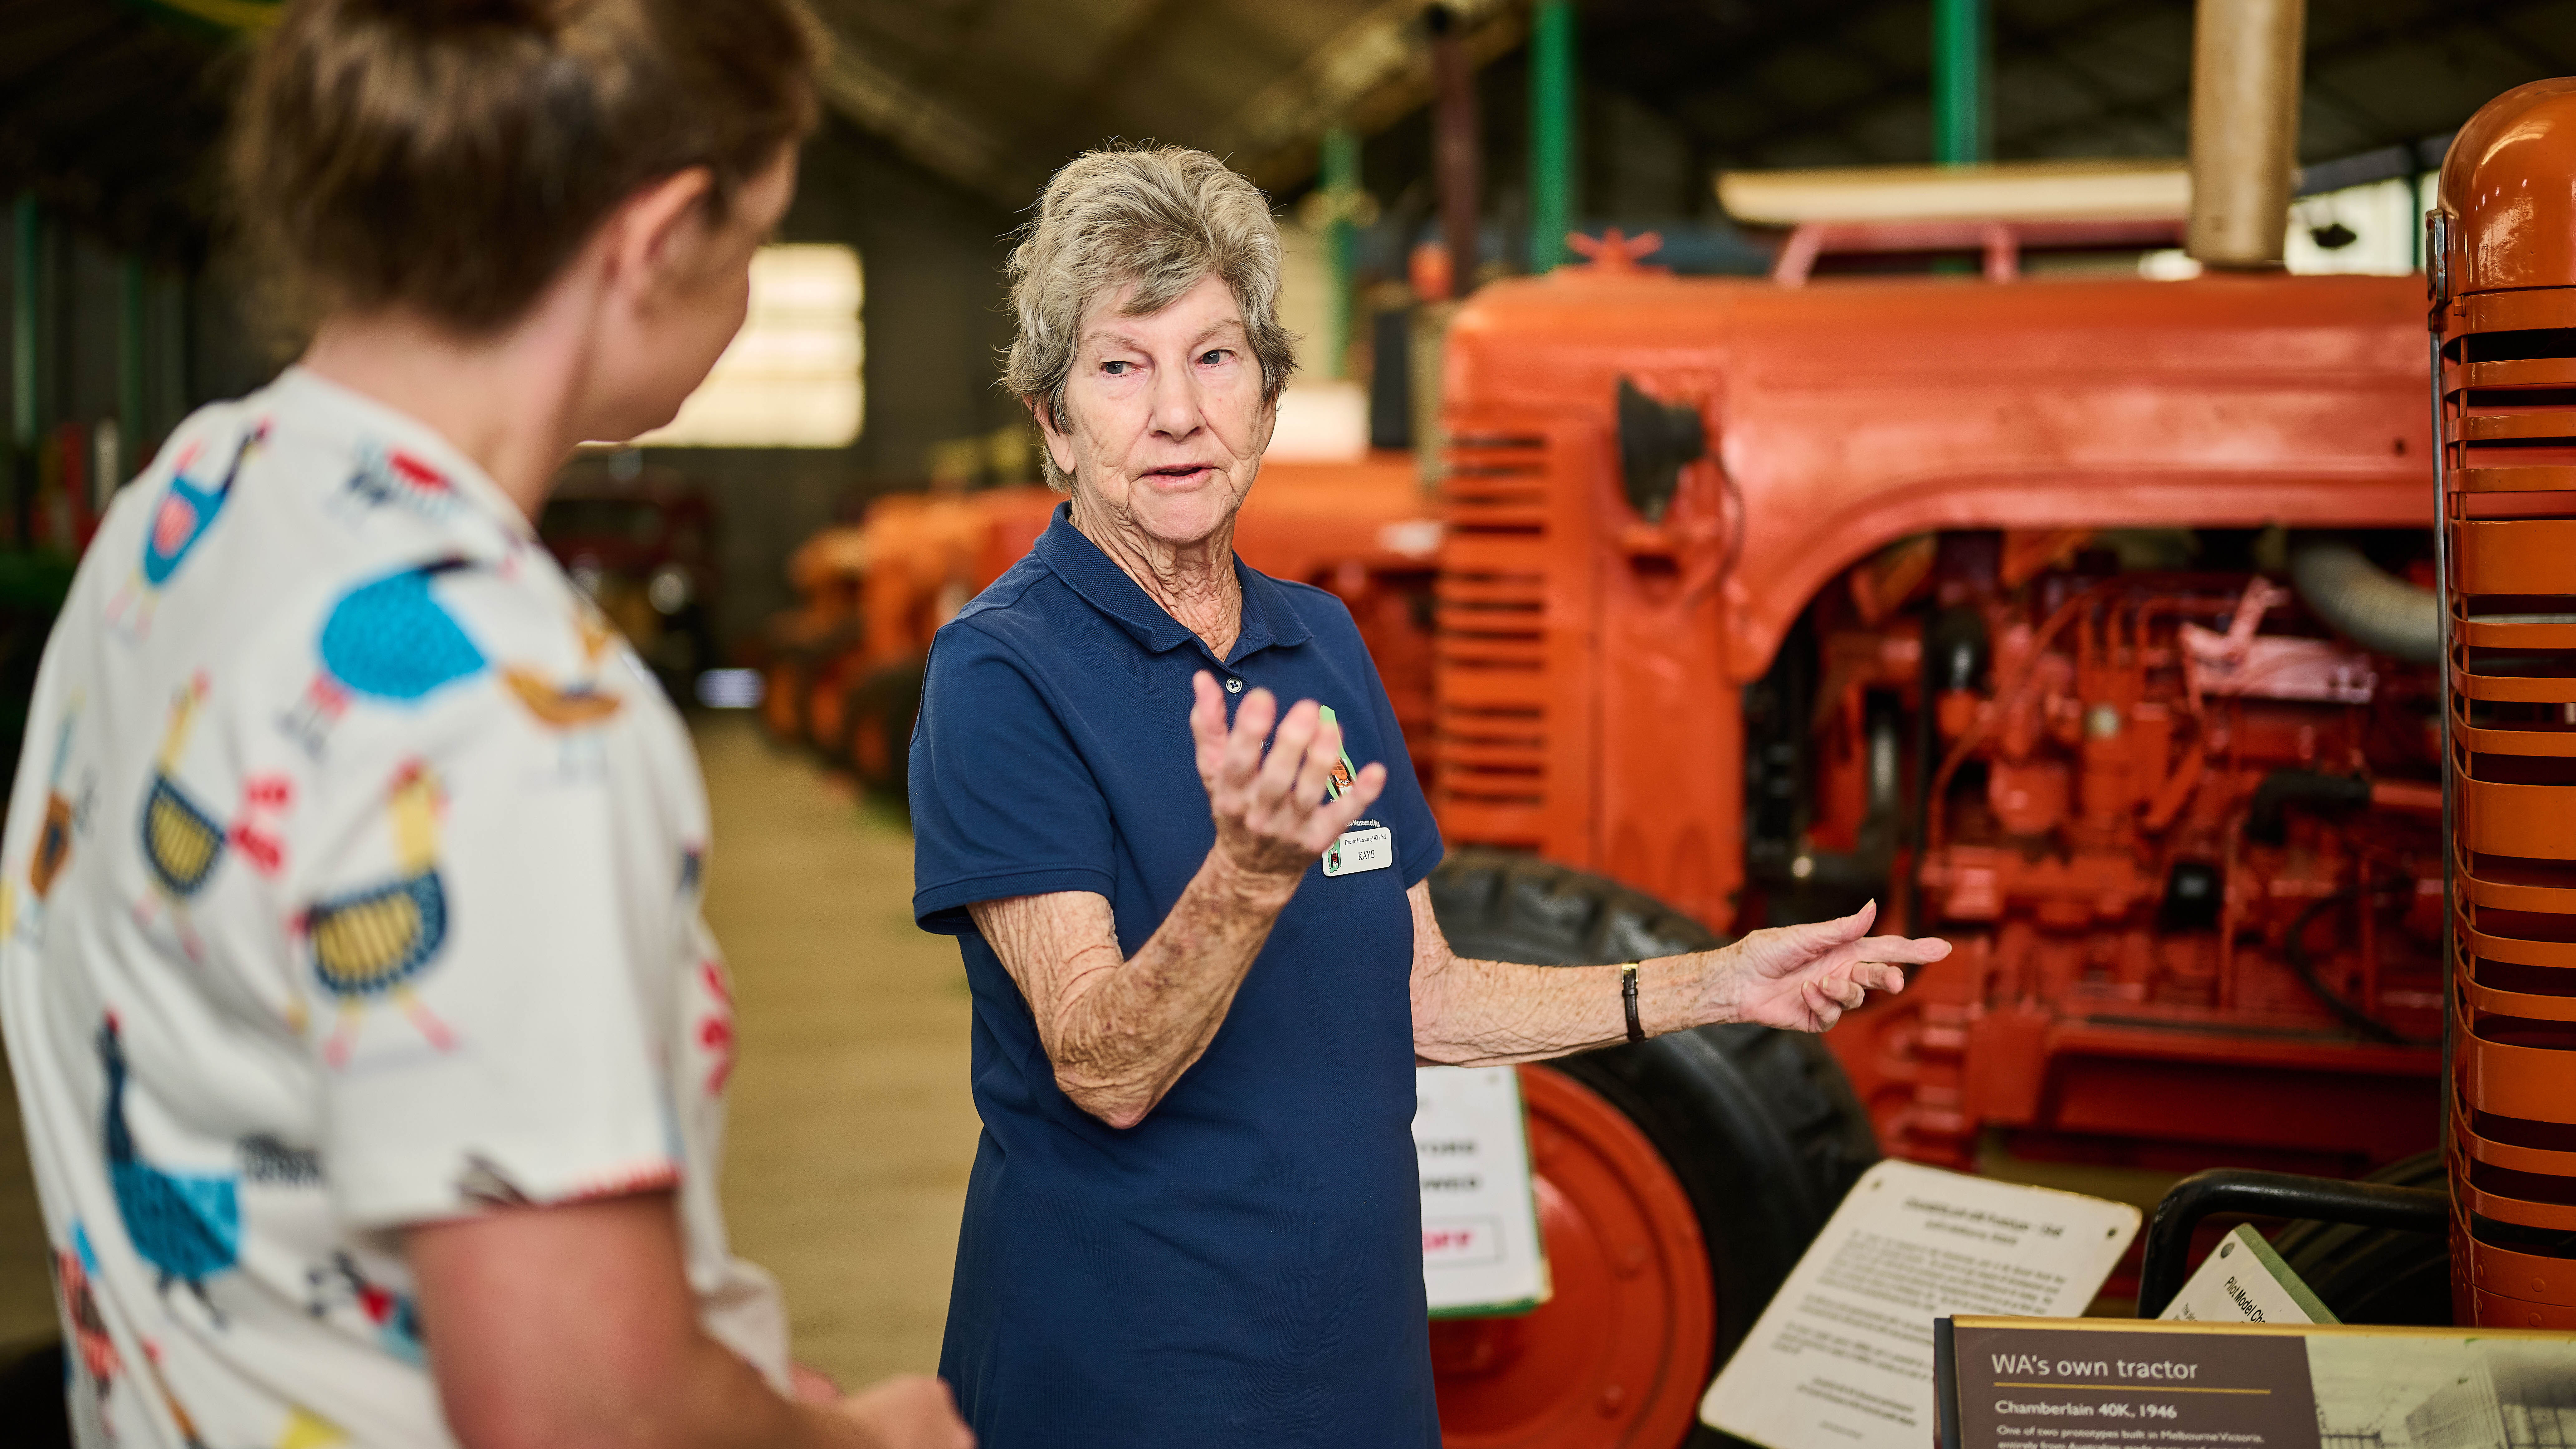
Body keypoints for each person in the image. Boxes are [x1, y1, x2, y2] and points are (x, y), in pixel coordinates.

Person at [0, 2, 970, 1446]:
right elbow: (579, 1409)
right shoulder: (504, 708)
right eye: (757, 241)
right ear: (656, 239)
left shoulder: (181, 511)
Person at [908, 144, 1953, 1449]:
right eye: (1123, 366)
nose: (1176, 412)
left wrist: (1717, 986)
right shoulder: (1005, 668)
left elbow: (1424, 997)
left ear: (1270, 398)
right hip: (1140, 1368)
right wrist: (1246, 876)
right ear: (1054, 422)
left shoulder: (1318, 645)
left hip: (1354, 1355)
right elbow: (1101, 1066)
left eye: (1216, 357)